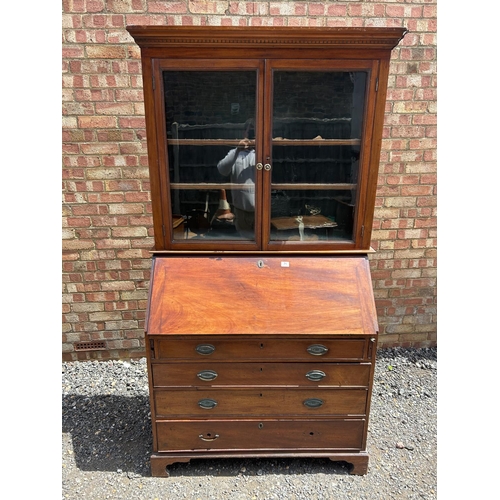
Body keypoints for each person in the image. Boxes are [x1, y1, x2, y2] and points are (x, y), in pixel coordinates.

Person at [216, 120, 256, 238]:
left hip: (262, 212)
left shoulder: (264, 153)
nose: (253, 135)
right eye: (251, 131)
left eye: (256, 132)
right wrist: (238, 150)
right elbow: (222, 169)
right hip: (241, 211)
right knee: (245, 245)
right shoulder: (234, 153)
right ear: (244, 133)